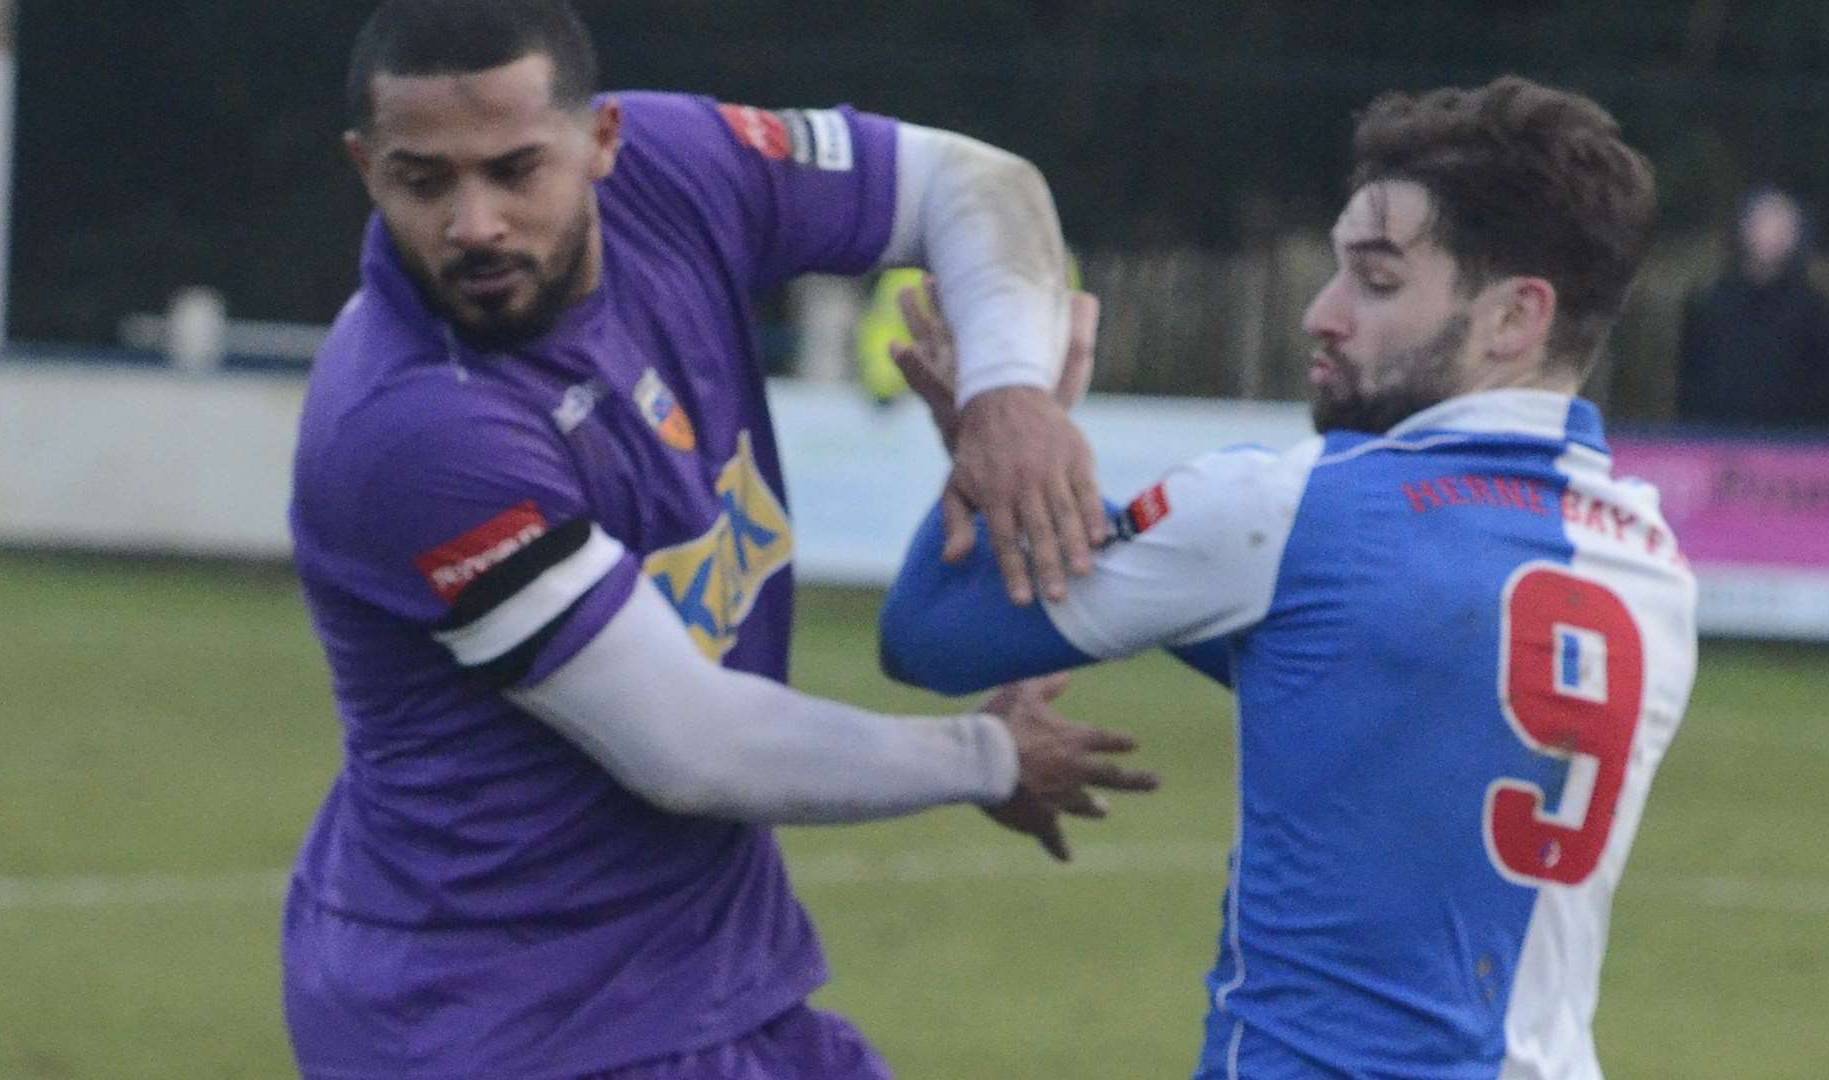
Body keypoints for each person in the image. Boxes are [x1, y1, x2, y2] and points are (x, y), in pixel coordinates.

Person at [282, 2, 1158, 1077]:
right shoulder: (414, 430)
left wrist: (1009, 393)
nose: (476, 223)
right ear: (367, 169)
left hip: (702, 980)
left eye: (517, 171)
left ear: (603, 141)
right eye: (425, 182)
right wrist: (988, 757)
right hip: (503, 1020)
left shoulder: (677, 170)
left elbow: (978, 182)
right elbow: (692, 749)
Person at [881, 76, 1696, 1078]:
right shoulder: (1650, 564)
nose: (1323, 313)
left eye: (1378, 281)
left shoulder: (1291, 509)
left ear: (1512, 320)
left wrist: (988, 435)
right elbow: (1353, 690)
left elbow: (931, 634)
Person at [1677, 187, 1829, 430]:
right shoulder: (1709, 304)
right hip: (1716, 441)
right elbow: (1693, 381)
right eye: (1764, 224)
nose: (1773, 235)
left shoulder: (1814, 311)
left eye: (1782, 226)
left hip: (1792, 446)